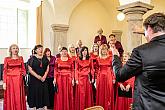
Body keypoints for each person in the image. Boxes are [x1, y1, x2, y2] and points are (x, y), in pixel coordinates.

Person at [111, 13, 165, 110]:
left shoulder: (141, 52)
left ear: (149, 28)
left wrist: (115, 56)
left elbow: (120, 75)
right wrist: (145, 32)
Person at [3, 44, 26, 110]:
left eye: (16, 48)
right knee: (11, 96)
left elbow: (23, 69)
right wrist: (4, 82)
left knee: (18, 96)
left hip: (19, 79)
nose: (15, 49)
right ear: (10, 50)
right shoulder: (7, 59)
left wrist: (23, 73)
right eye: (13, 48)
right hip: (10, 80)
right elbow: (5, 71)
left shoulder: (21, 58)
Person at [27, 45, 49, 110]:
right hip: (34, 78)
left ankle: (45, 106)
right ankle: (34, 106)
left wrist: (44, 76)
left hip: (44, 78)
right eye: (39, 49)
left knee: (44, 92)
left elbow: (48, 67)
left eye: (41, 49)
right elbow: (30, 70)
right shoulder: (32, 58)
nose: (41, 50)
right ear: (35, 50)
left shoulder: (45, 57)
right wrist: (38, 77)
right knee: (35, 92)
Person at [96, 44, 115, 110]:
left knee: (109, 92)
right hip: (100, 77)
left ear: (107, 50)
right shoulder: (98, 58)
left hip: (109, 76)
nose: (104, 51)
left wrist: (113, 78)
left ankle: (108, 108)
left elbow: (113, 69)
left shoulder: (111, 57)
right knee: (101, 92)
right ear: (100, 50)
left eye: (105, 49)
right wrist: (96, 79)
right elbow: (96, 70)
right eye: (102, 49)